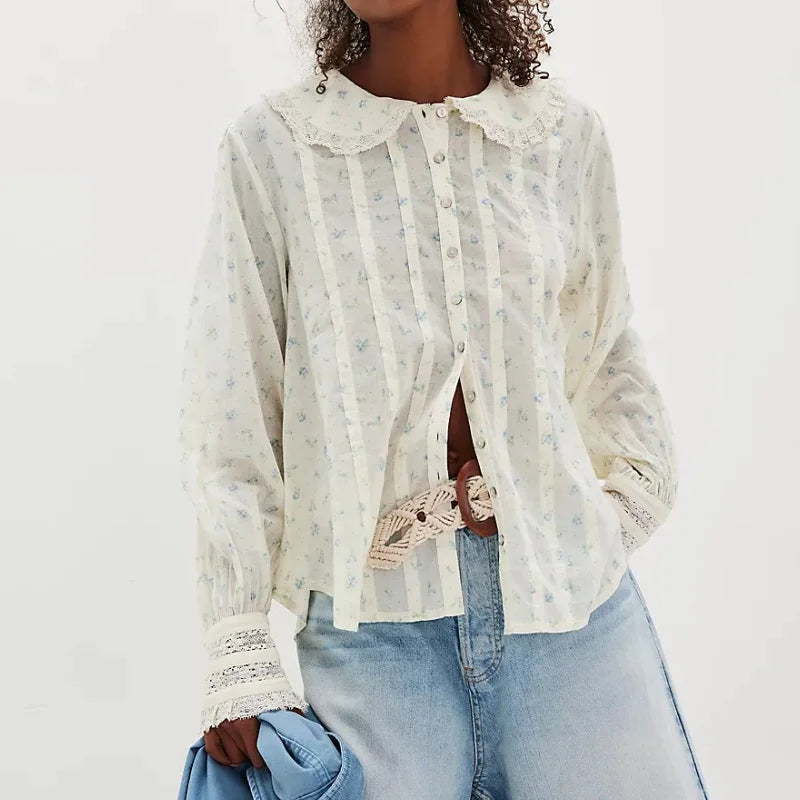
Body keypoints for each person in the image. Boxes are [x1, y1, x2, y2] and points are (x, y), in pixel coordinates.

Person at [177, 1, 711, 797]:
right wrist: (238, 645)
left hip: (576, 631)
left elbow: (606, 365)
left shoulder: (561, 139)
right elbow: (234, 408)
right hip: (374, 647)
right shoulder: (274, 152)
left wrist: (595, 525)